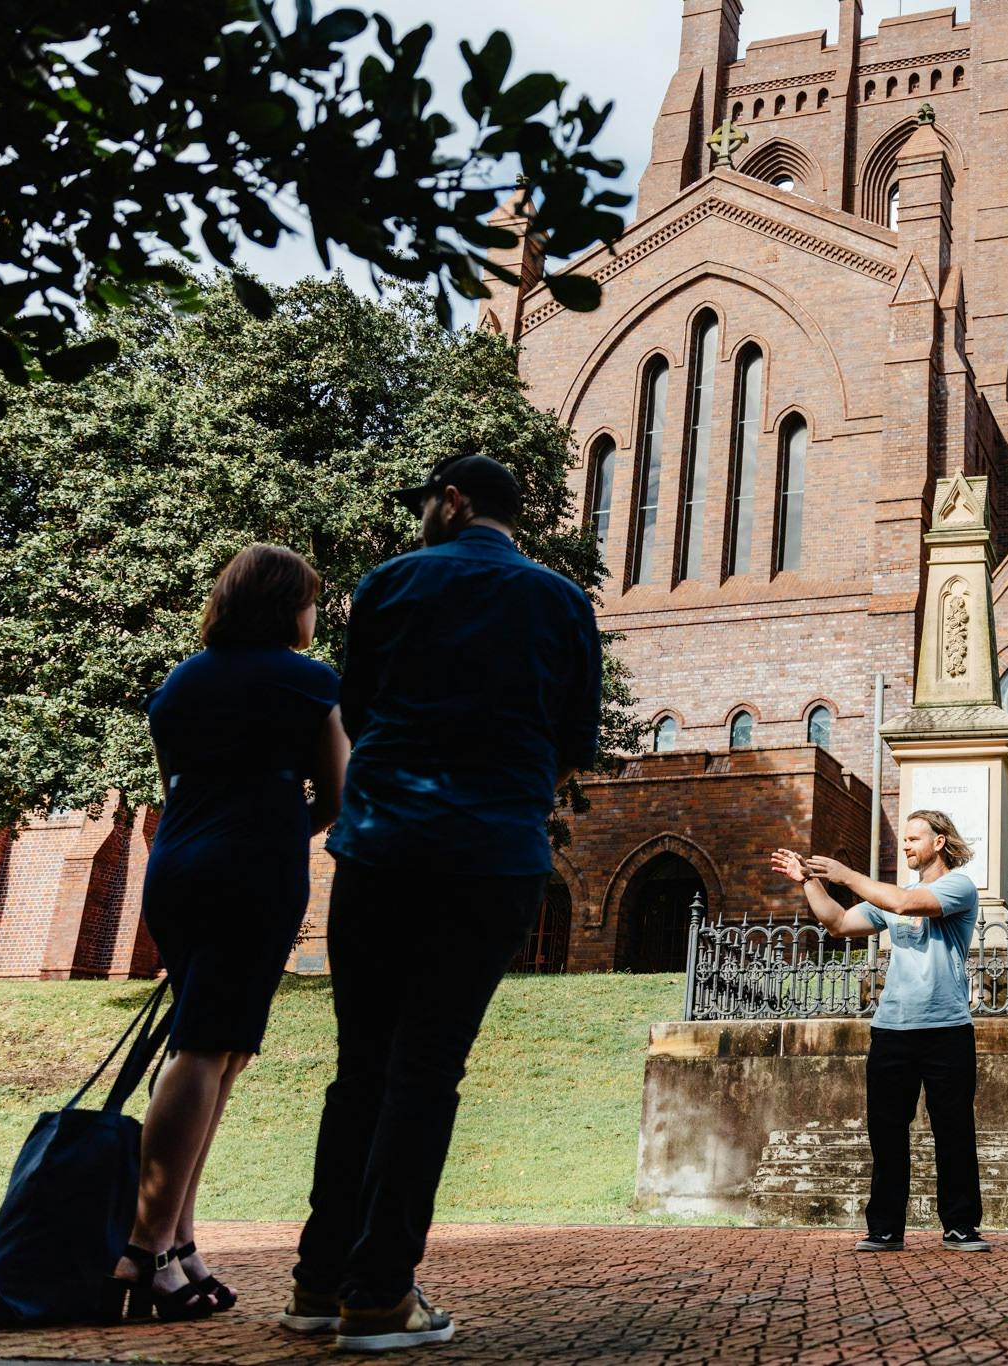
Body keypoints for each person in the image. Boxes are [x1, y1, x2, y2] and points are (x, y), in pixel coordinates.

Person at [279, 455, 603, 1353]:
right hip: (490, 861)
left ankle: (318, 1279)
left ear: (452, 502)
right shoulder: (563, 602)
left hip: (382, 853)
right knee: (427, 1072)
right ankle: (379, 1291)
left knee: (362, 1070)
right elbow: (575, 743)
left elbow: (360, 710)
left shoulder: (388, 582)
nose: (422, 515)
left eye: (425, 501)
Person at [106, 545, 347, 1323]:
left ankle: (178, 1242)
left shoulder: (179, 682)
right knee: (207, 1046)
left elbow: (175, 783)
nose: (315, 613)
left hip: (177, 865)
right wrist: (286, 825)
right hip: (254, 870)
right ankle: (143, 1251)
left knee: (221, 1047)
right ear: (288, 607)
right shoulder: (311, 682)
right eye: (311, 600)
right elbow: (340, 791)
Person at [769, 811, 990, 1253]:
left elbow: (908, 906)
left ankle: (960, 1226)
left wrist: (848, 874)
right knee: (887, 1132)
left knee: (954, 1131)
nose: (906, 846)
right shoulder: (891, 896)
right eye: (904, 839)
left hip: (947, 1029)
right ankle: (885, 1229)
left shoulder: (958, 887)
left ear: (940, 843)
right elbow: (838, 923)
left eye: (914, 839)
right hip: (892, 1031)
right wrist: (807, 882)